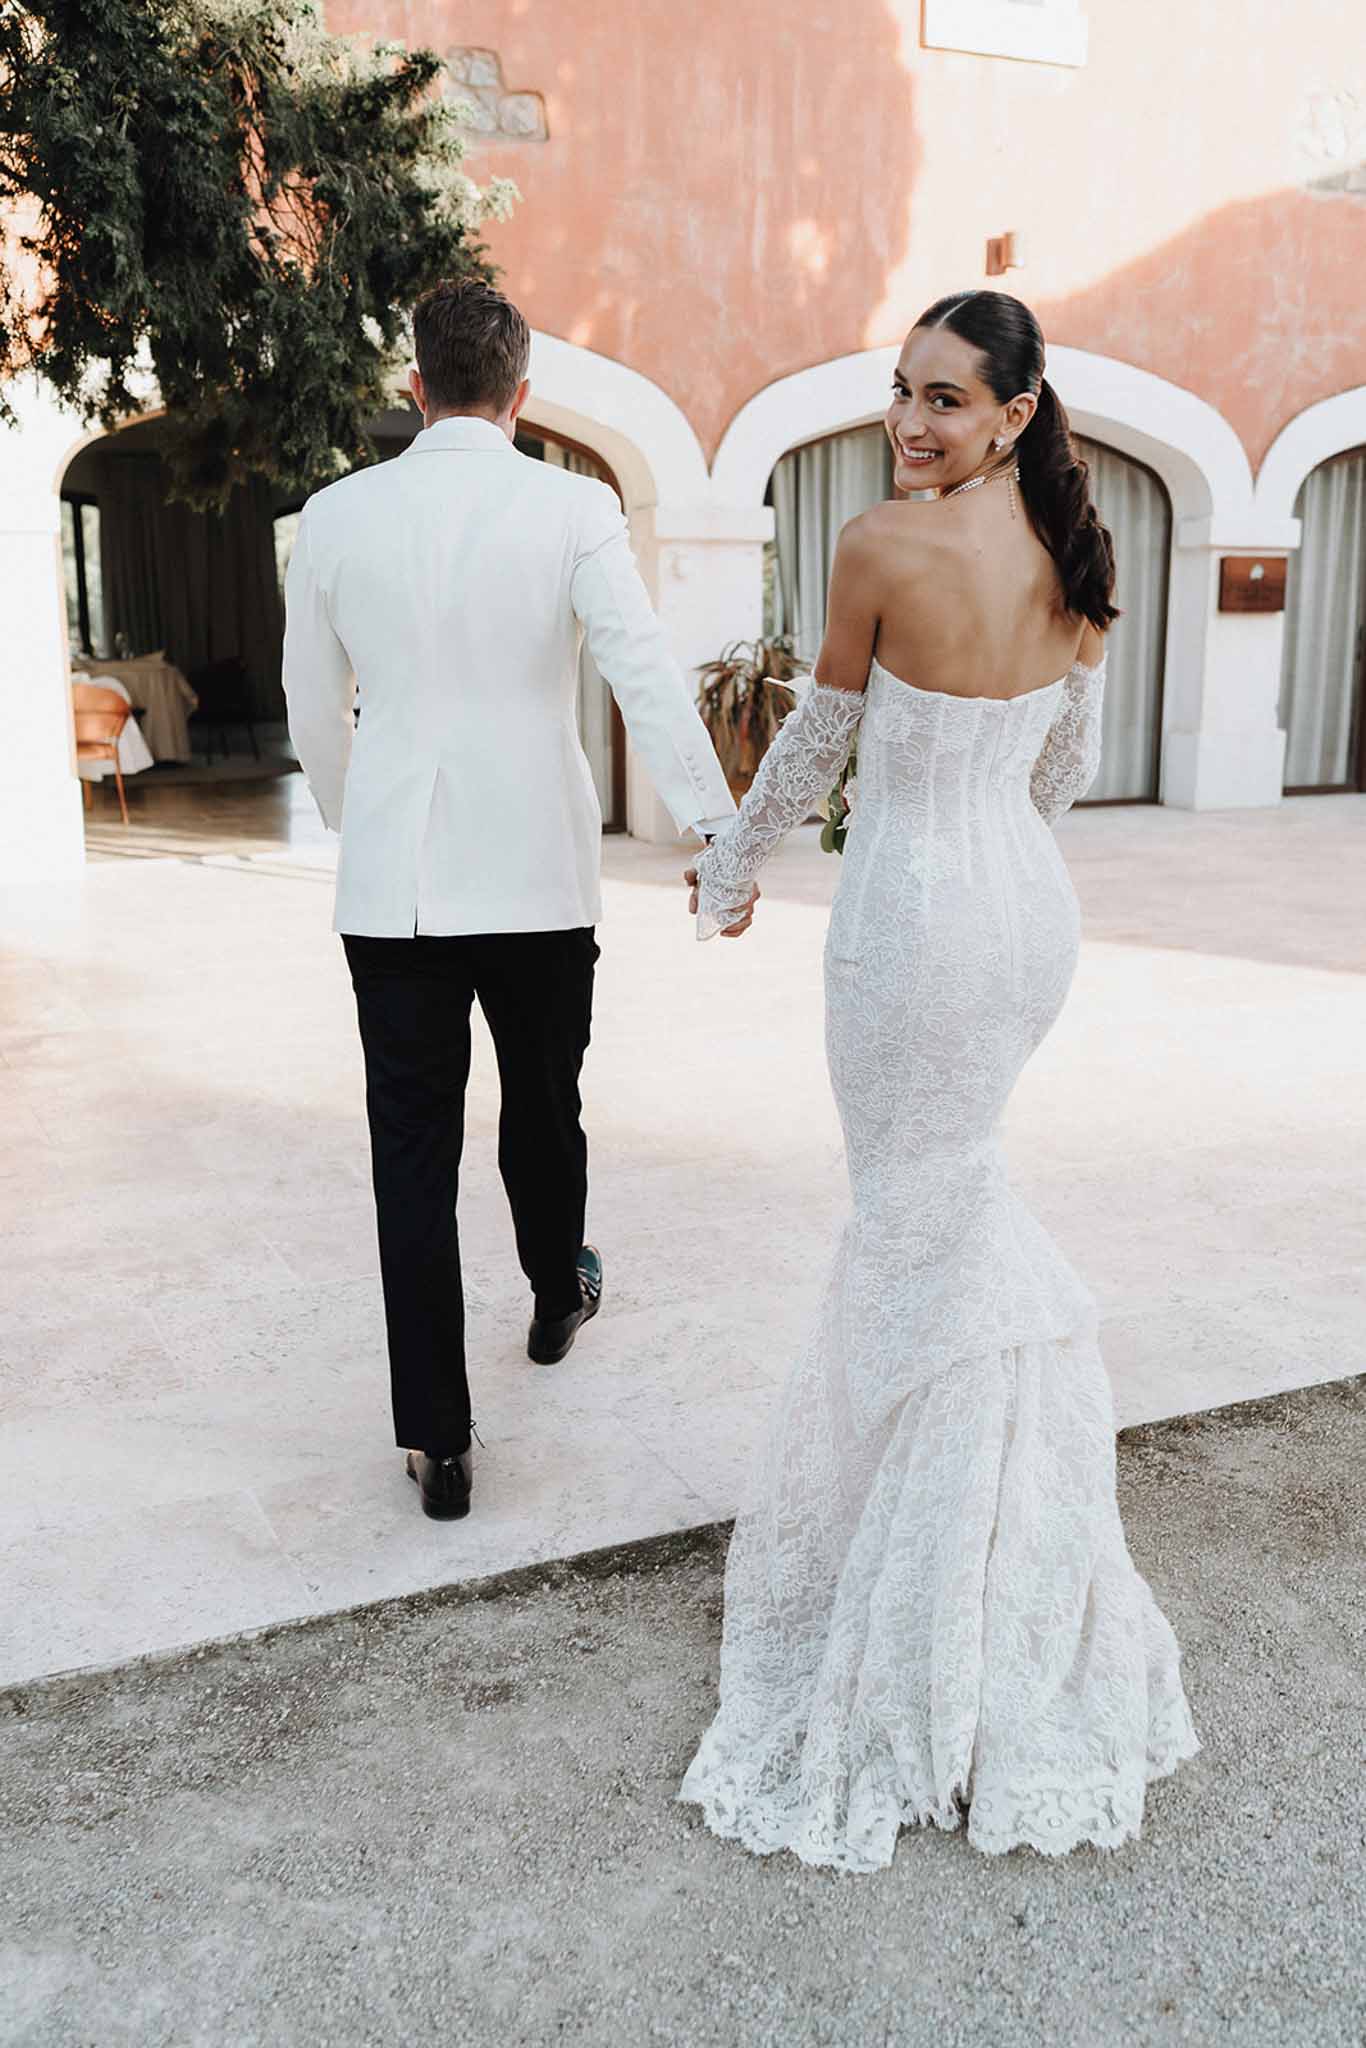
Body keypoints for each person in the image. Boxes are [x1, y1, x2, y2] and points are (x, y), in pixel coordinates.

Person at [678, 290, 1199, 1866]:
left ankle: (932, 1582)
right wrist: (977, 841)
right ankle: (969, 1542)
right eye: (901, 391)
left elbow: (813, 748)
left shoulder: (879, 550)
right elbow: (1061, 774)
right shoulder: (1077, 561)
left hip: (910, 932)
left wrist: (727, 866)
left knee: (914, 1222)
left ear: (1013, 413)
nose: (911, 422)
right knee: (945, 1211)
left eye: (948, 399)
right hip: (1023, 918)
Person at [282, 279, 749, 1523]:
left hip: (396, 891)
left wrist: (360, 814)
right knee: (544, 1107)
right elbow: (642, 669)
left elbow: (308, 704)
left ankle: (438, 1440)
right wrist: (718, 825)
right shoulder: (574, 505)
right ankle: (554, 1294)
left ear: (415, 387)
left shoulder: (333, 513)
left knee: (409, 1152)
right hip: (539, 875)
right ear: (521, 395)